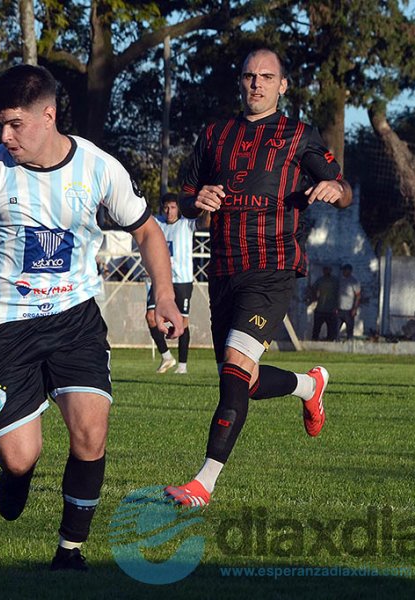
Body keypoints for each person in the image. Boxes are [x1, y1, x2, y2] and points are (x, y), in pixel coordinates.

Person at [0, 65, 182, 571]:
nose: (5, 136)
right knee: (20, 456)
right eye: (0, 125)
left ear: (49, 116)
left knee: (90, 433)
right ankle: (16, 476)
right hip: (4, 325)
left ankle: (70, 551)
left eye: (15, 124)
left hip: (74, 317)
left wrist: (164, 296)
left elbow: (147, 231)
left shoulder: (100, 168)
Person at [165, 48, 353, 509]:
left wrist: (334, 189)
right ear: (241, 82)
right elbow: (182, 196)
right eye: (250, 76)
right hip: (225, 269)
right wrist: (196, 199)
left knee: (233, 371)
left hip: (272, 268)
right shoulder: (214, 134)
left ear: (282, 85)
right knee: (241, 382)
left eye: (267, 77)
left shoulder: (300, 136)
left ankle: (203, 484)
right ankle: (309, 387)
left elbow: (344, 191)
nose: (257, 84)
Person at [146, 192, 207, 374]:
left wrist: (207, 208)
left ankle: (182, 365)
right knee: (150, 317)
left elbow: (205, 223)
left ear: (178, 209)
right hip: (160, 279)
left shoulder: (186, 223)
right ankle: (166, 356)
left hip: (182, 281)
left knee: (182, 322)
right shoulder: (157, 223)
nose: (169, 211)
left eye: (173, 207)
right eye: (166, 207)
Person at [310, 265, 339, 341]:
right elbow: (313, 288)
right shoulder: (320, 280)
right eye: (325, 270)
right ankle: (314, 340)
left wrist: (337, 305)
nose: (327, 271)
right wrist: (314, 298)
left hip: (331, 309)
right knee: (316, 328)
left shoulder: (335, 281)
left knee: (331, 329)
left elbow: (339, 293)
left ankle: (330, 341)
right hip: (320, 308)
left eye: (328, 270)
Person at [337, 263, 361, 340]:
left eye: (345, 270)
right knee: (335, 329)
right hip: (340, 309)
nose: (343, 272)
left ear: (349, 271)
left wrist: (355, 308)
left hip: (349, 310)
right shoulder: (341, 280)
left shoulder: (354, 282)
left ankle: (349, 342)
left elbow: (358, 295)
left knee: (349, 329)